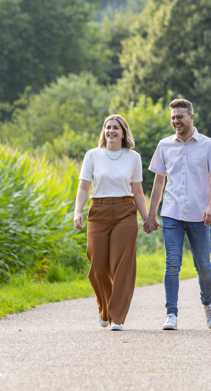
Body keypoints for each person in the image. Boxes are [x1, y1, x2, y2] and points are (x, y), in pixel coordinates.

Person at [144, 99, 211, 331]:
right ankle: (171, 313)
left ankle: (207, 304)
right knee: (172, 263)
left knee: (204, 266)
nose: (176, 121)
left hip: (199, 215)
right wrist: (151, 214)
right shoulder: (164, 145)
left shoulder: (208, 145)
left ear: (191, 117)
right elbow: (159, 182)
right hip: (172, 213)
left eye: (179, 116)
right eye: (172, 117)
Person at [73, 114, 148, 332]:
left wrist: (147, 217)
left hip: (125, 212)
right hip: (98, 211)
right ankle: (105, 309)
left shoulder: (133, 157)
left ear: (123, 132)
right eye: (108, 127)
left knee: (121, 265)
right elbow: (83, 188)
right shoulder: (92, 155)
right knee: (97, 268)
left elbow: (137, 192)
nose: (111, 131)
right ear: (104, 131)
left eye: (116, 128)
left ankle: (118, 318)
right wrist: (77, 211)